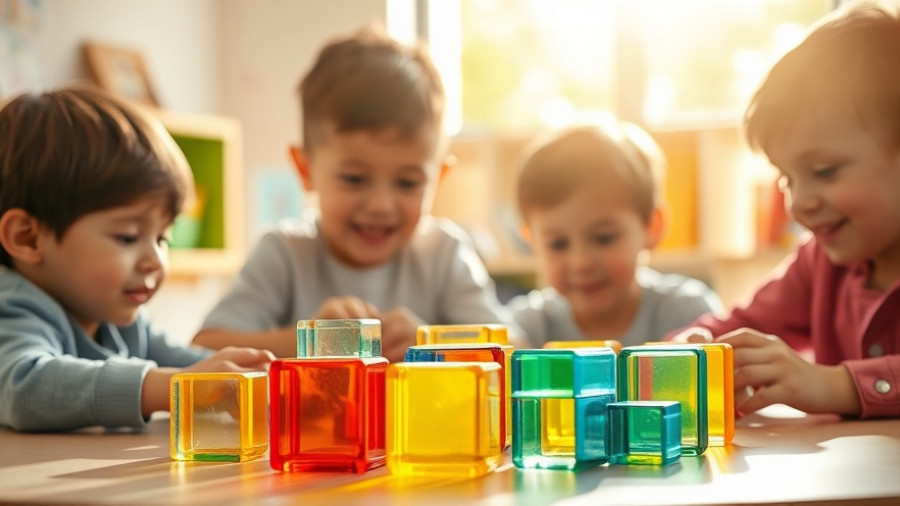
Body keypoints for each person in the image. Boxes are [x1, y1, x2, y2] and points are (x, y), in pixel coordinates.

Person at [193, 27, 522, 362]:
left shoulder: (444, 255)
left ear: (438, 178)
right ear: (305, 169)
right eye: (354, 178)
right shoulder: (285, 254)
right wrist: (312, 341)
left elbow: (514, 351)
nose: (381, 205)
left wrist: (429, 342)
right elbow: (201, 350)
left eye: (408, 183)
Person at [669, 2, 900, 419]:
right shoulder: (818, 263)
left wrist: (837, 385)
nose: (799, 203)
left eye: (824, 171)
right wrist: (689, 349)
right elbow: (741, 324)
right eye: (787, 178)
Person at [0, 87, 273, 432]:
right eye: (128, 237)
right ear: (27, 237)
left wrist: (251, 379)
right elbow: (26, 387)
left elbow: (189, 366)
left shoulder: (119, 318)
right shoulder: (11, 309)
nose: (155, 261)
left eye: (162, 239)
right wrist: (172, 387)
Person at [507, 117, 723, 348]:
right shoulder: (528, 328)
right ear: (532, 241)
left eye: (603, 238)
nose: (581, 263)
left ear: (652, 226)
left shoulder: (687, 315)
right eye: (558, 244)